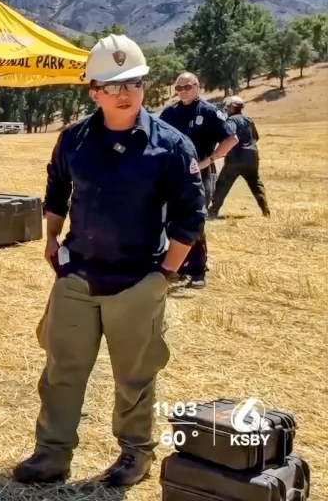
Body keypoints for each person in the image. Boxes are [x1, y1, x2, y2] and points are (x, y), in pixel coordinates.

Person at [14, 34, 206, 487]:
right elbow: (58, 185)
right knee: (61, 371)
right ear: (93, 91)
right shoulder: (74, 139)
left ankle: (135, 456)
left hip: (139, 279)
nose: (125, 92)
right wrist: (51, 237)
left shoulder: (172, 146)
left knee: (135, 379)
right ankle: (52, 454)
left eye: (134, 82)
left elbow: (190, 216)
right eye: (113, 84)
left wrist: (164, 275)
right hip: (78, 275)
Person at [158, 73, 238, 289]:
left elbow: (231, 139)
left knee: (193, 221)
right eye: (179, 87)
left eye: (188, 86)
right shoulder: (169, 113)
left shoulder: (208, 111)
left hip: (200, 175)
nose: (183, 90)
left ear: (198, 87)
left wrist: (208, 160)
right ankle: (178, 267)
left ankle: (197, 271)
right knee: (172, 221)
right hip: (173, 176)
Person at [209, 96, 270, 218]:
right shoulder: (248, 120)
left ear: (231, 107)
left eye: (227, 107)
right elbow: (256, 137)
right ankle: (265, 211)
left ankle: (213, 211)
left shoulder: (231, 121)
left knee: (223, 184)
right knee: (256, 184)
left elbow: (229, 138)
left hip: (236, 157)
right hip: (252, 157)